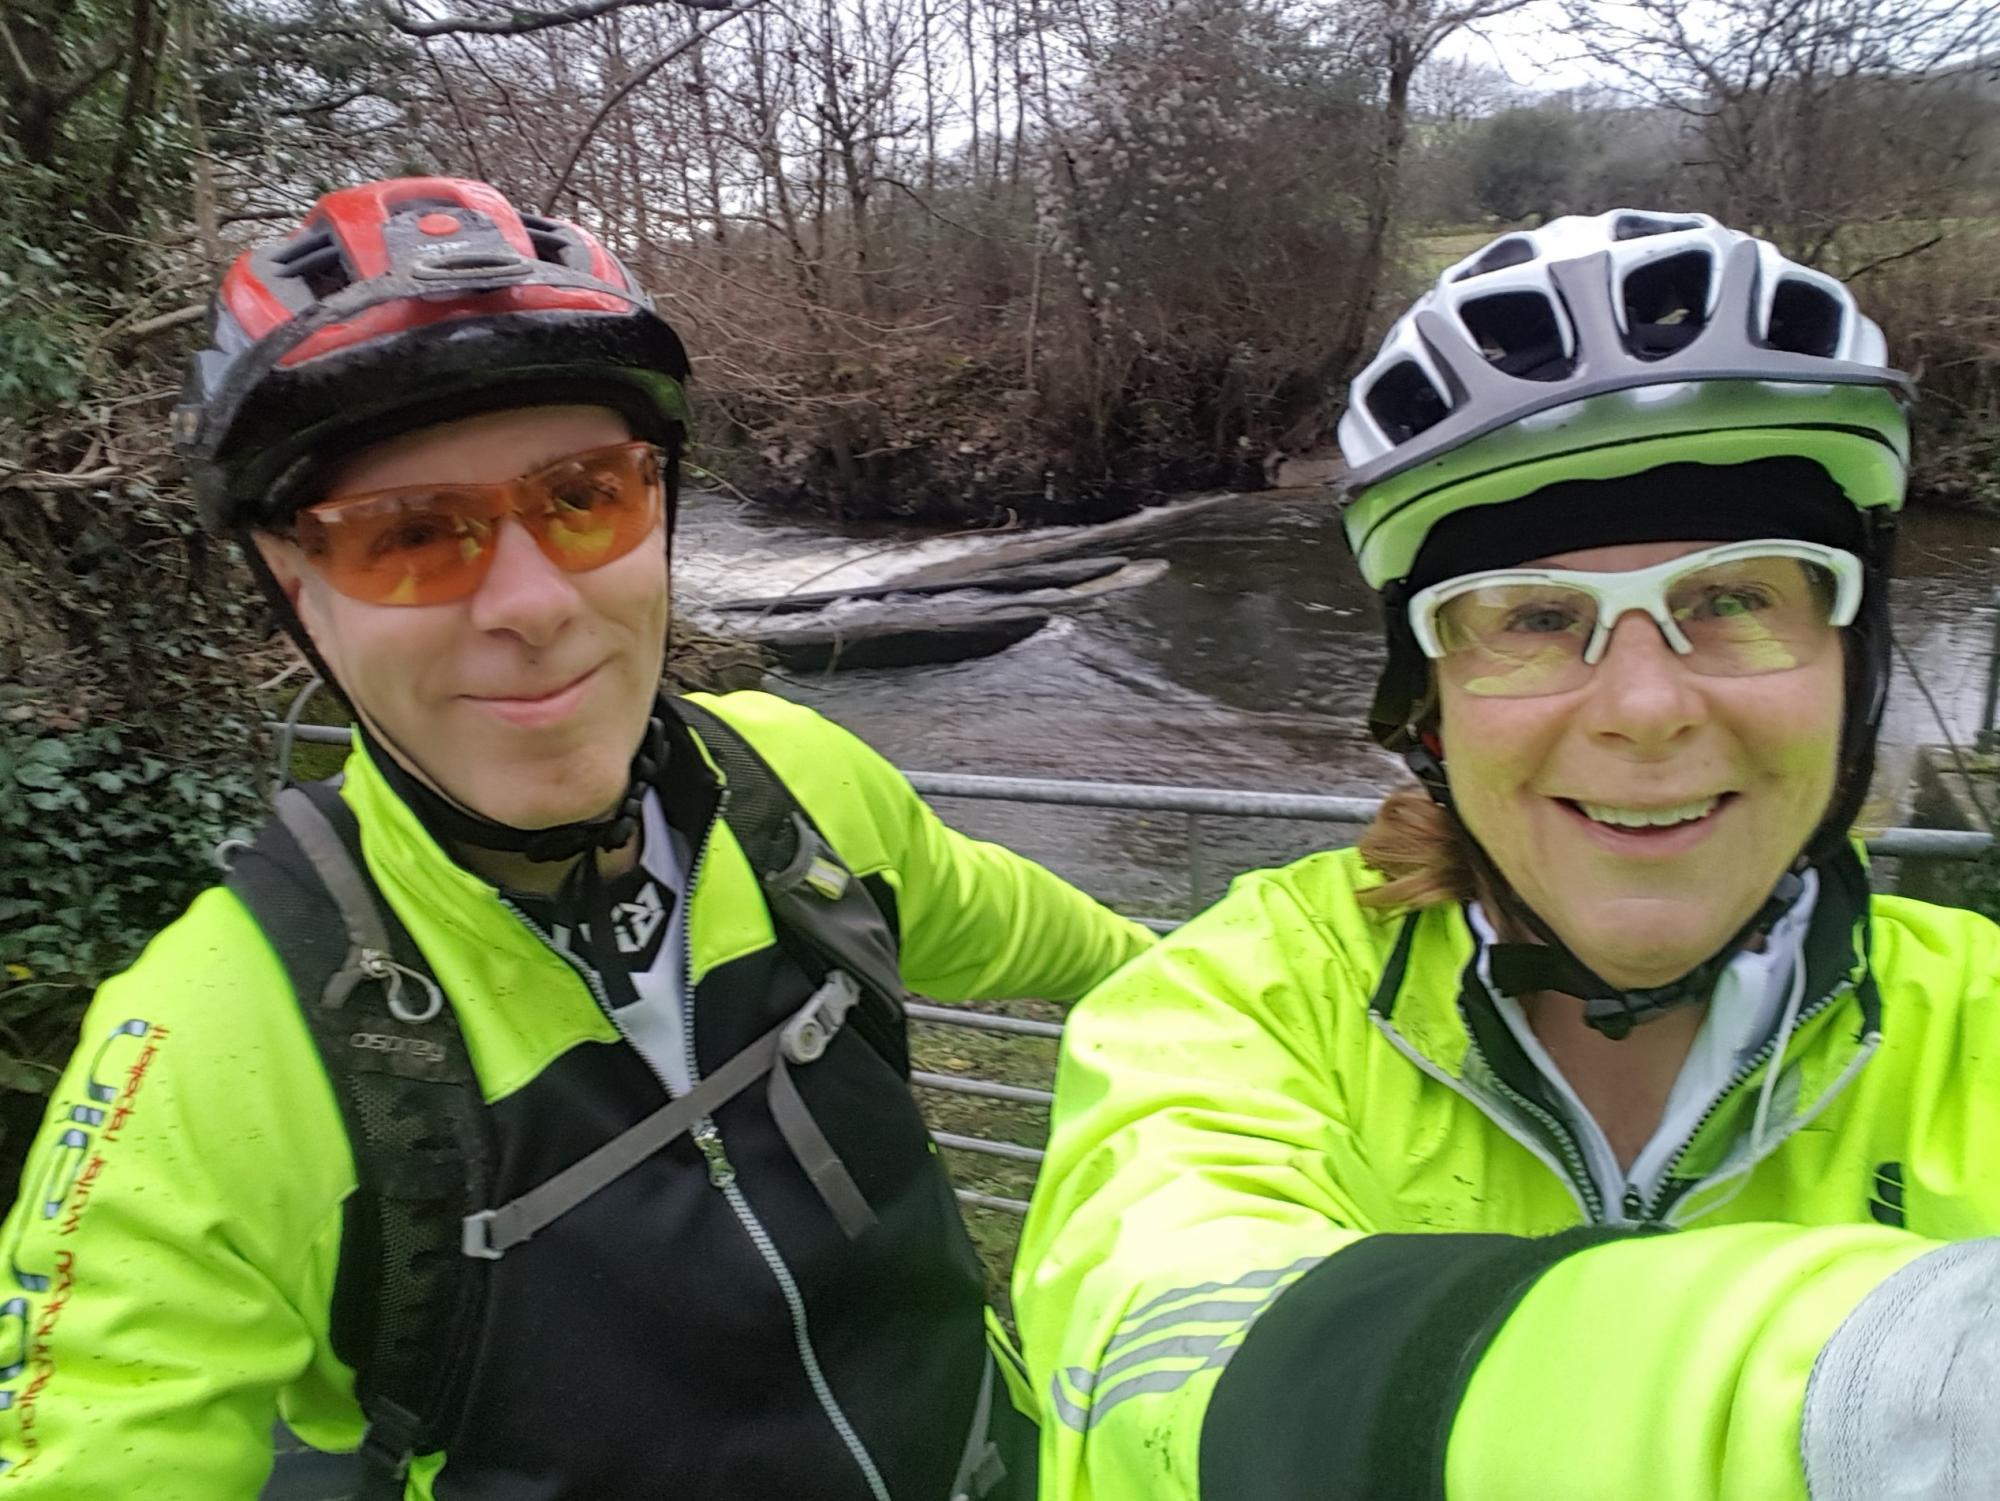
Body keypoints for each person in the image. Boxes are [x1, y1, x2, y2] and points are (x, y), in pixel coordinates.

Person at [0, 176, 1153, 1499]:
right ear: (296, 589)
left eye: (585, 496)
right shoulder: (215, 1036)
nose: (534, 603)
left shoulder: (800, 785)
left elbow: (1112, 960)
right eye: (411, 535)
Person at [1014, 210, 2000, 1500]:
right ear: (1425, 707)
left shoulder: (1976, 1021)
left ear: (1849, 663)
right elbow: (1154, 1353)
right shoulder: (1238, 1004)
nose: (1645, 708)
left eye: (1739, 595)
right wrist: (1892, 1401)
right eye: (1535, 619)